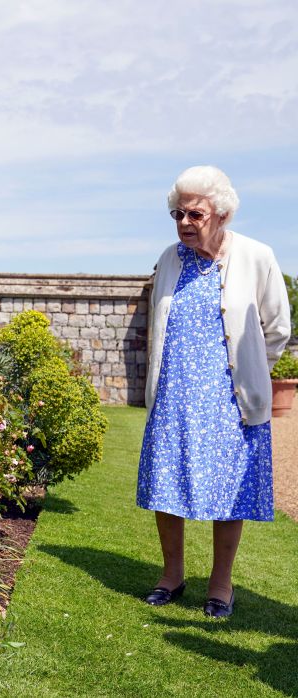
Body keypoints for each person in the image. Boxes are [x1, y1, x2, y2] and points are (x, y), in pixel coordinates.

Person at [136, 165, 291, 618]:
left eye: (194, 214)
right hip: (174, 396)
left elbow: (277, 328)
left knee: (230, 492)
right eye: (177, 214)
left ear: (220, 213)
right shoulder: (168, 259)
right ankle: (172, 575)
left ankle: (220, 585)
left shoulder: (256, 256)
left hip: (230, 400)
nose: (184, 223)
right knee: (167, 484)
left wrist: (252, 374)